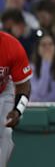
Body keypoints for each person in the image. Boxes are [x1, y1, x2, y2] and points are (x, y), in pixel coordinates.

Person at [0, 30, 32, 167]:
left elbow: (24, 85)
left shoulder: (12, 45)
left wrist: (18, 110)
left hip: (4, 89)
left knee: (6, 132)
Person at [29, 32, 55, 102]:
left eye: (50, 44)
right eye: (43, 45)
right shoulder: (31, 69)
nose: (47, 48)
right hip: (37, 109)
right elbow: (39, 93)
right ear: (38, 50)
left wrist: (40, 100)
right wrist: (46, 64)